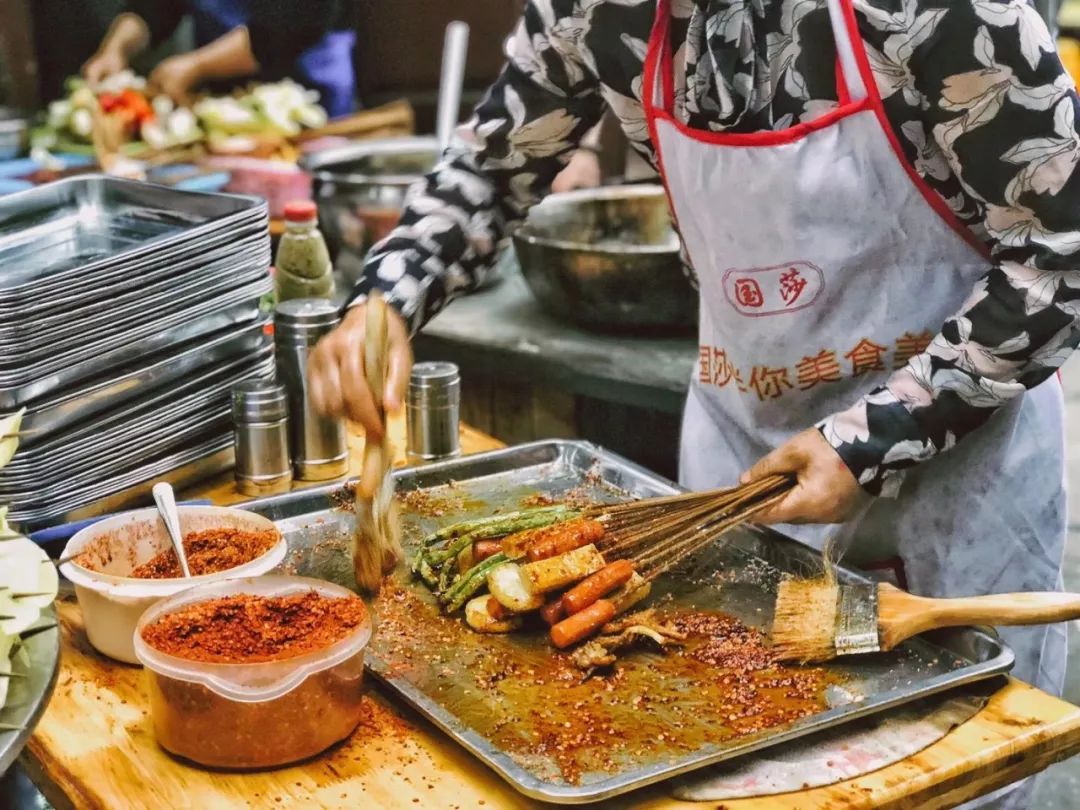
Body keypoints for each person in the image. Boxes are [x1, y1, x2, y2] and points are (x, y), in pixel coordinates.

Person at [308, 1, 1076, 803]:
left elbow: (1065, 245)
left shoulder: (940, 11)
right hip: (738, 463)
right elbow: (493, 165)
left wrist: (875, 437)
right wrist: (387, 303)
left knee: (948, 777)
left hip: (950, 481)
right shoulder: (598, 11)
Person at [82, 1, 357, 117]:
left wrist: (197, 66)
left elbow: (286, 27)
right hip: (224, 112)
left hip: (310, 105)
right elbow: (153, 7)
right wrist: (115, 48)